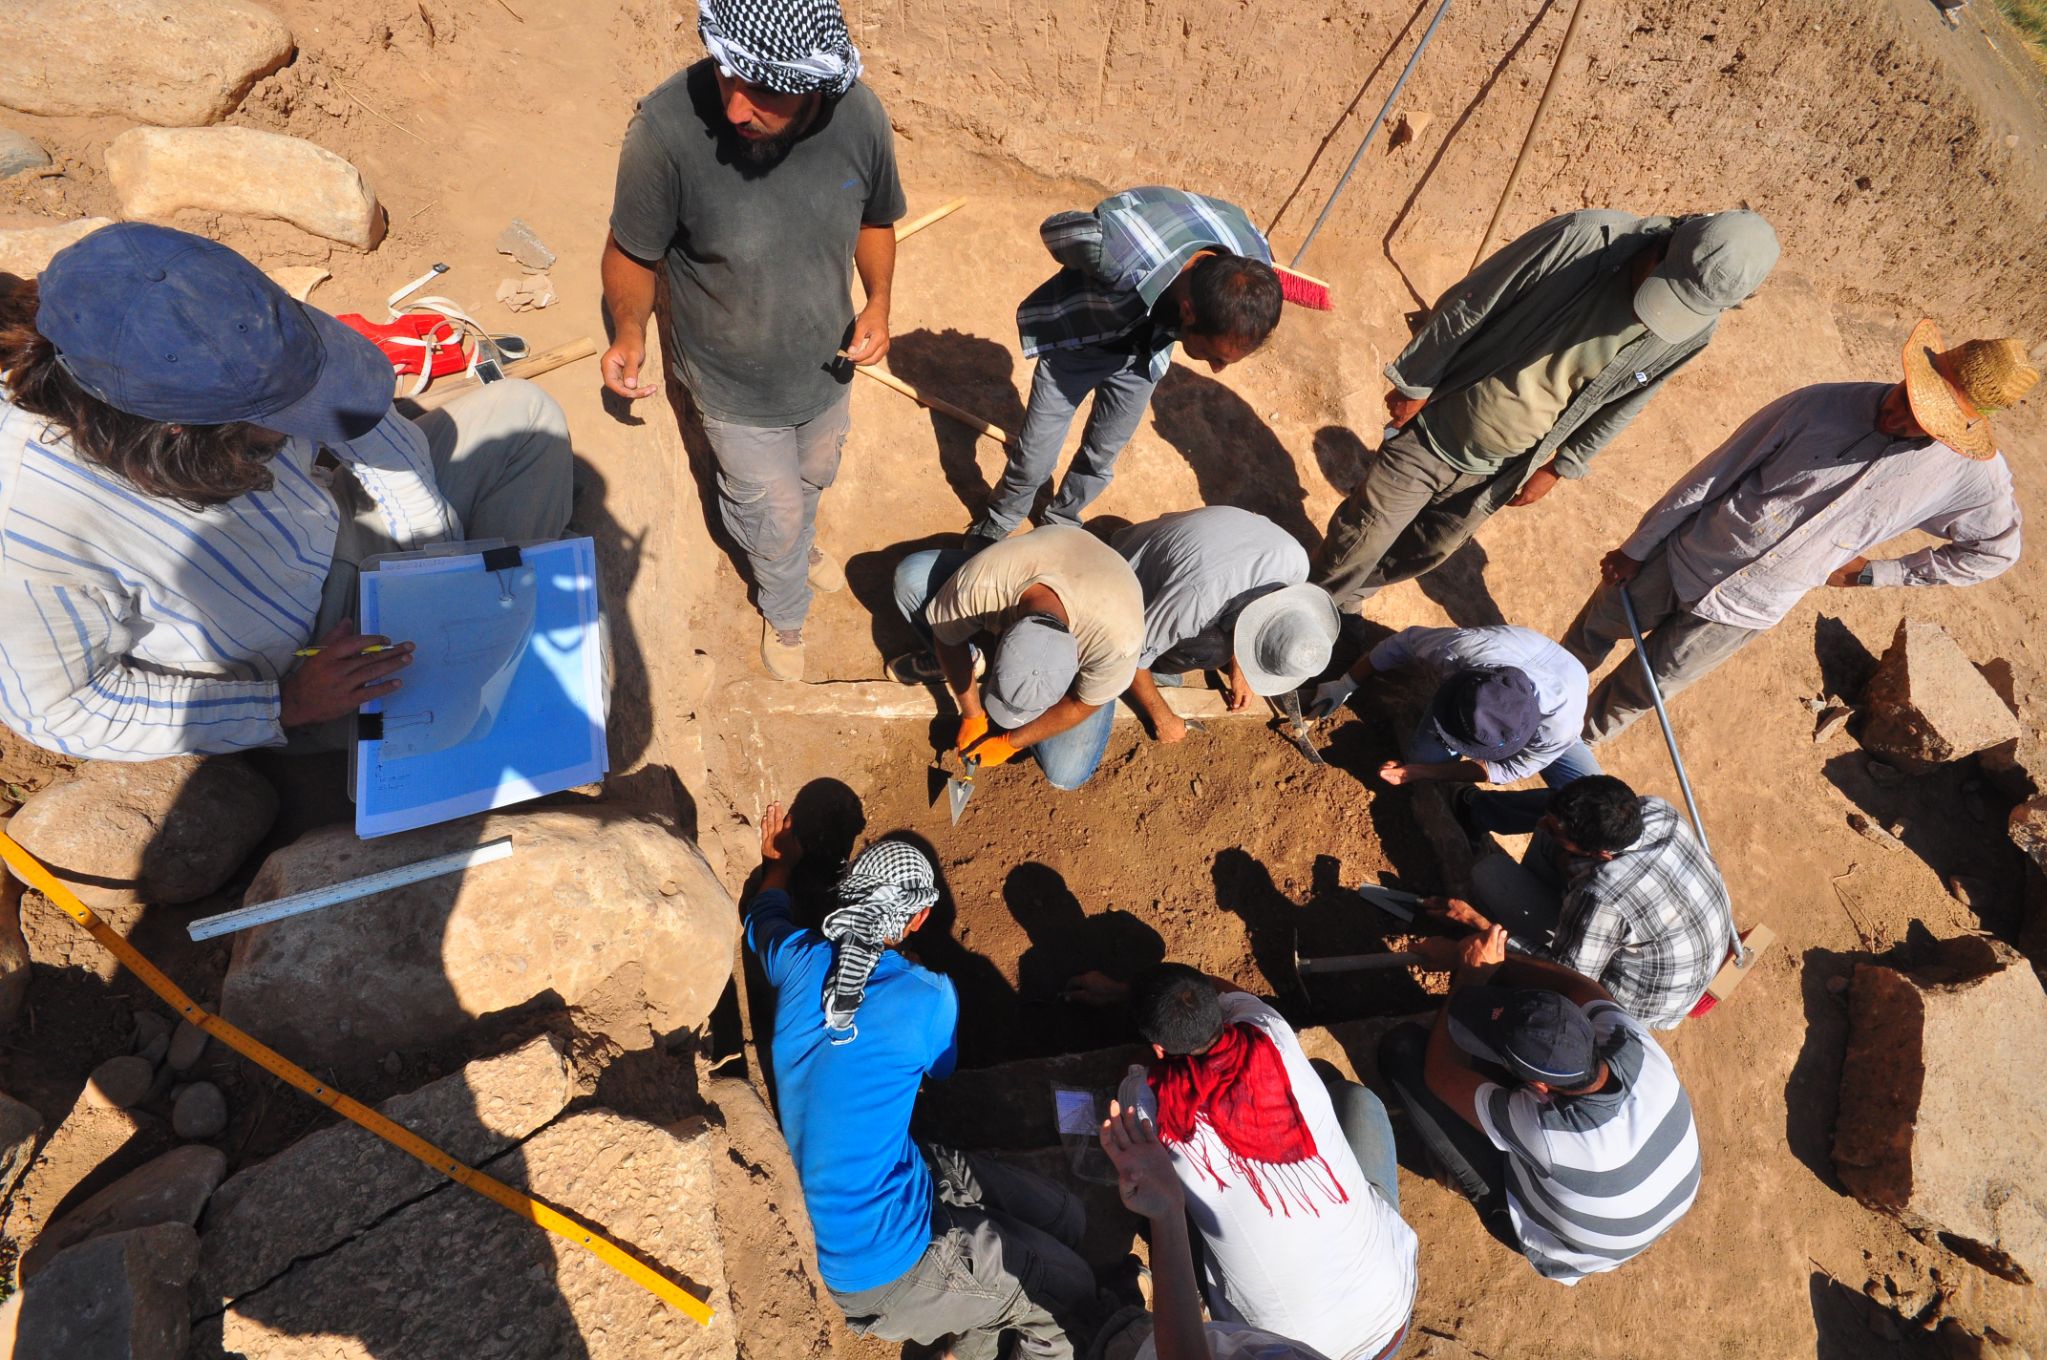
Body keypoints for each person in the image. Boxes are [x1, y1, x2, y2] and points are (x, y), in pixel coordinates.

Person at [0, 225, 573, 761]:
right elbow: (58, 707)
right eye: (277, 419)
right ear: (175, 430)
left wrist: (434, 564)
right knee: (473, 736)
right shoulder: (27, 529)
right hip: (306, 665)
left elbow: (360, 421)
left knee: (524, 415)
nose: (299, 427)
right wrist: (288, 703)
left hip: (335, 529)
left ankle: (493, 628)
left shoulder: (218, 318)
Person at [603, 0, 904, 682]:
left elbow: (876, 220)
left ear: (815, 84)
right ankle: (785, 608)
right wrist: (628, 329)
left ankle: (798, 548)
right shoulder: (666, 132)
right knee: (768, 515)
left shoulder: (859, 117)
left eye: (764, 88)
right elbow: (628, 251)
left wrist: (879, 304)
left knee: (814, 475)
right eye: (724, 73)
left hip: (826, 367)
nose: (737, 108)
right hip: (730, 385)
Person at [745, 801, 1100, 1359]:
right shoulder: (928, 996)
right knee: (1075, 1296)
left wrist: (779, 865)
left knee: (1067, 1219)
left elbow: (764, 916)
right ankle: (976, 1329)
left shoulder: (797, 958)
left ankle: (963, 1338)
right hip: (883, 1269)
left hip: (887, 1197)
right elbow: (943, 1069)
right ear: (918, 919)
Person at [1566, 320, 2034, 741]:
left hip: (1747, 610)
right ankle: (1524, 702)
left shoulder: (1972, 479)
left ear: (1959, 431)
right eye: (1904, 398)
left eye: (1922, 422)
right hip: (1686, 556)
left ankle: (1567, 746)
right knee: (1592, 633)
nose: (1894, 418)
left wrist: (1876, 573)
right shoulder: (1820, 404)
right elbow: (1714, 474)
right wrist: (1637, 547)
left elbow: (1995, 552)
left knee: (1639, 692)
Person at [1313, 209, 1778, 610]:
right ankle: (1304, 611)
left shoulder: (1694, 329)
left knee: (1428, 551)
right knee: (1362, 539)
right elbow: (1475, 298)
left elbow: (1630, 401)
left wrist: (1561, 466)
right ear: (1667, 243)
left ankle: (1349, 598)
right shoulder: (1581, 240)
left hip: (1507, 466)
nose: (1654, 315)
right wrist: (1417, 377)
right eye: (1666, 289)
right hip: (1441, 422)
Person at [1072, 965, 1417, 1360]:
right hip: (1392, 1317)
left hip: (1276, 1347)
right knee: (1357, 1100)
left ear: (1159, 1050)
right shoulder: (1270, 1032)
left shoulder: (1151, 1107)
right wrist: (1138, 992)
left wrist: (1130, 1004)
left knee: (1174, 1209)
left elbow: (1131, 1073)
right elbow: (1225, 993)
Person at [966, 187, 1285, 553]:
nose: (1216, 370)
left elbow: (1232, 217)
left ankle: (1061, 521)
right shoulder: (1119, 255)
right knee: (1036, 456)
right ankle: (1000, 519)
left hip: (1144, 355)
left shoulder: (1256, 266)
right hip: (1079, 343)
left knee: (1102, 454)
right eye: (1215, 356)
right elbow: (1057, 230)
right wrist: (1120, 220)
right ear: (1187, 312)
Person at [1378, 928, 1701, 1283]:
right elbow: (1582, 987)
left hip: (1565, 1248)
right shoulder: (1632, 1042)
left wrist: (1469, 977)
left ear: (1537, 1087)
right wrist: (1491, 961)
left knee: (1404, 1051)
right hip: (1648, 1205)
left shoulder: (1550, 1132)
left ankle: (1461, 1179)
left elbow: (1440, 1073)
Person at [1425, 774, 1734, 1030]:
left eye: (1559, 831)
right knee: (1547, 841)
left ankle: (1539, 933)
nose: (1542, 824)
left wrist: (1478, 924)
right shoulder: (1656, 812)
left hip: (1637, 1001)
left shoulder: (1603, 896)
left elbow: (1566, 976)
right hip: (1681, 950)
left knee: (1488, 875)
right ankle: (1553, 914)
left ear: (1601, 855)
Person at [892, 526, 1143, 791]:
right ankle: (971, 659)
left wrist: (1009, 742)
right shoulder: (983, 584)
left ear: (1079, 656)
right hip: (1031, 561)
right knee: (911, 578)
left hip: (1107, 589)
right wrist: (972, 713)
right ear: (1001, 633)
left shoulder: (1117, 644)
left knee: (1066, 773)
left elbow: (1083, 704)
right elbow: (946, 637)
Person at [1091, 1102, 1341, 1360]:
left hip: (1158, 1343)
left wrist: (1168, 1214)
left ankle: (1113, 1322)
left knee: (1099, 1320)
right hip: (1228, 1333)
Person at [1110, 506, 1339, 743]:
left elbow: (1256, 603)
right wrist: (1161, 716)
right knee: (1212, 651)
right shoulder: (1196, 601)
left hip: (1182, 545)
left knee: (1219, 646)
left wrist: (1241, 667)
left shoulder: (1296, 562)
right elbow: (1128, 655)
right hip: (1122, 569)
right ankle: (1159, 660)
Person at [1312, 624, 1600, 794]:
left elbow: (1509, 768)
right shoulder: (1464, 650)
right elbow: (1403, 642)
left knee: (1588, 789)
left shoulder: (1559, 729)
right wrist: (1346, 683)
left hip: (1567, 684)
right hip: (1519, 650)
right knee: (1426, 754)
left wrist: (1420, 772)